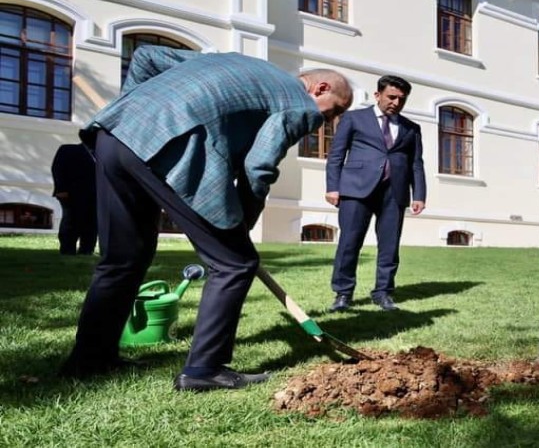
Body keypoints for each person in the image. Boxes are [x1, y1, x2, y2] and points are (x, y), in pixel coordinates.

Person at [59, 46, 353, 392]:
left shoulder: (236, 62)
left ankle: (90, 359)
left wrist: (137, 111)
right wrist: (243, 223)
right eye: (334, 110)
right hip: (170, 147)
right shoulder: (299, 103)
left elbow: (146, 57)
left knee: (124, 258)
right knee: (235, 263)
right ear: (319, 88)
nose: (327, 121)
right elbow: (258, 166)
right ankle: (204, 370)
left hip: (116, 136)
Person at [325, 75, 426, 312]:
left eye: (401, 99)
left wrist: (419, 194)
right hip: (355, 189)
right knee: (349, 243)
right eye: (391, 97)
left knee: (390, 246)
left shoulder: (412, 128)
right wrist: (332, 186)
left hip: (395, 192)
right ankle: (343, 293)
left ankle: (383, 293)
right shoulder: (353, 118)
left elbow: (416, 164)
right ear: (377, 95)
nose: (396, 103)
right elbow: (336, 154)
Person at [51, 143, 97, 255]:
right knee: (71, 220)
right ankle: (67, 249)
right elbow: (57, 168)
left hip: (94, 194)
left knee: (92, 222)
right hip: (71, 193)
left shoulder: (101, 154)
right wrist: (61, 188)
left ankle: (87, 249)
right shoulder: (69, 149)